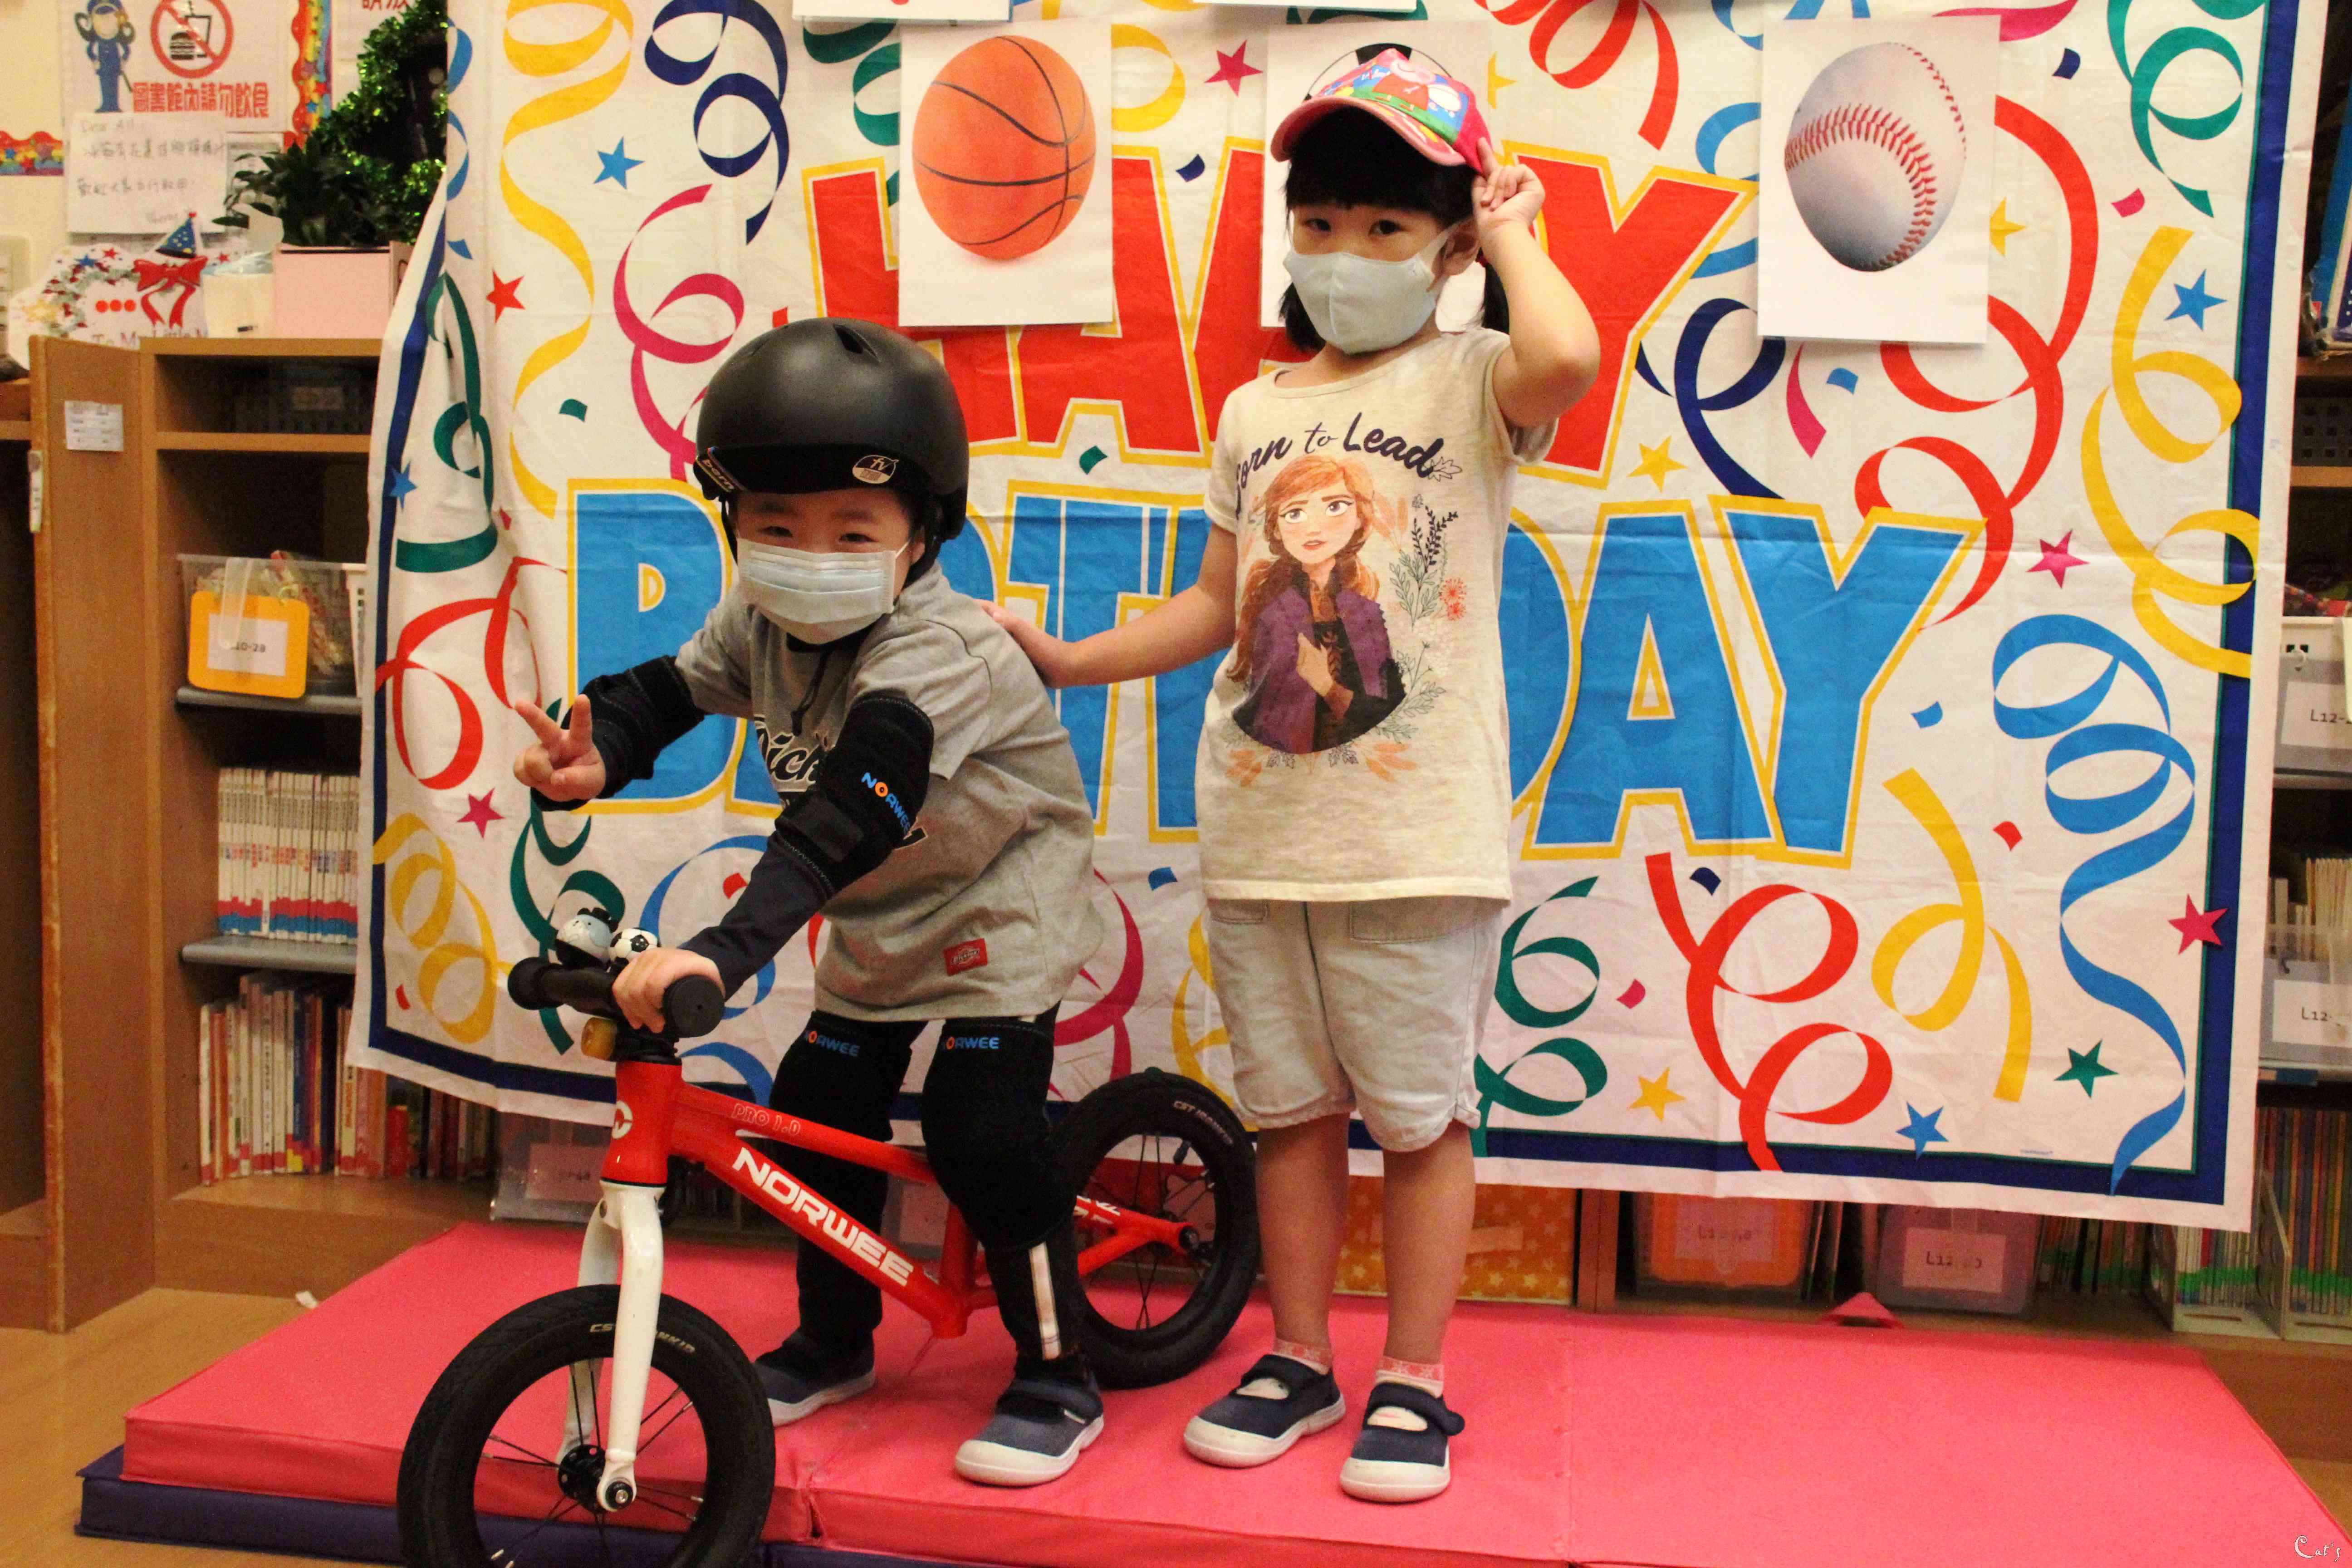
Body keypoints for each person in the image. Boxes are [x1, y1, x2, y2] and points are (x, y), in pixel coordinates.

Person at [986, 49, 1599, 1502]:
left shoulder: (1475, 376)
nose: (1345, 252)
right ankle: (1302, 1358)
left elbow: (1568, 357)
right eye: (1320, 223)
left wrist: (1512, 232)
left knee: (1422, 1119)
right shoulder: (1257, 409)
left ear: (1450, 245)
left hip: (1415, 840)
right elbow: (1218, 602)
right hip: (1263, 831)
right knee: (1288, 1117)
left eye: (1387, 226)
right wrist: (1071, 659)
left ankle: (1416, 1378)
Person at [511, 318, 1110, 1488]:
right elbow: (671, 689)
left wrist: (724, 953)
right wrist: (598, 754)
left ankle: (1058, 1370)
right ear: (734, 522)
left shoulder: (945, 649)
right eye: (776, 528)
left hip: (999, 904)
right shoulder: (763, 619)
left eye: (853, 531)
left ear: (922, 533)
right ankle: (835, 1342)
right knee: (819, 1112)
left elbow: (855, 805)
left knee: (982, 1133)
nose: (808, 554)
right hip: (879, 909)